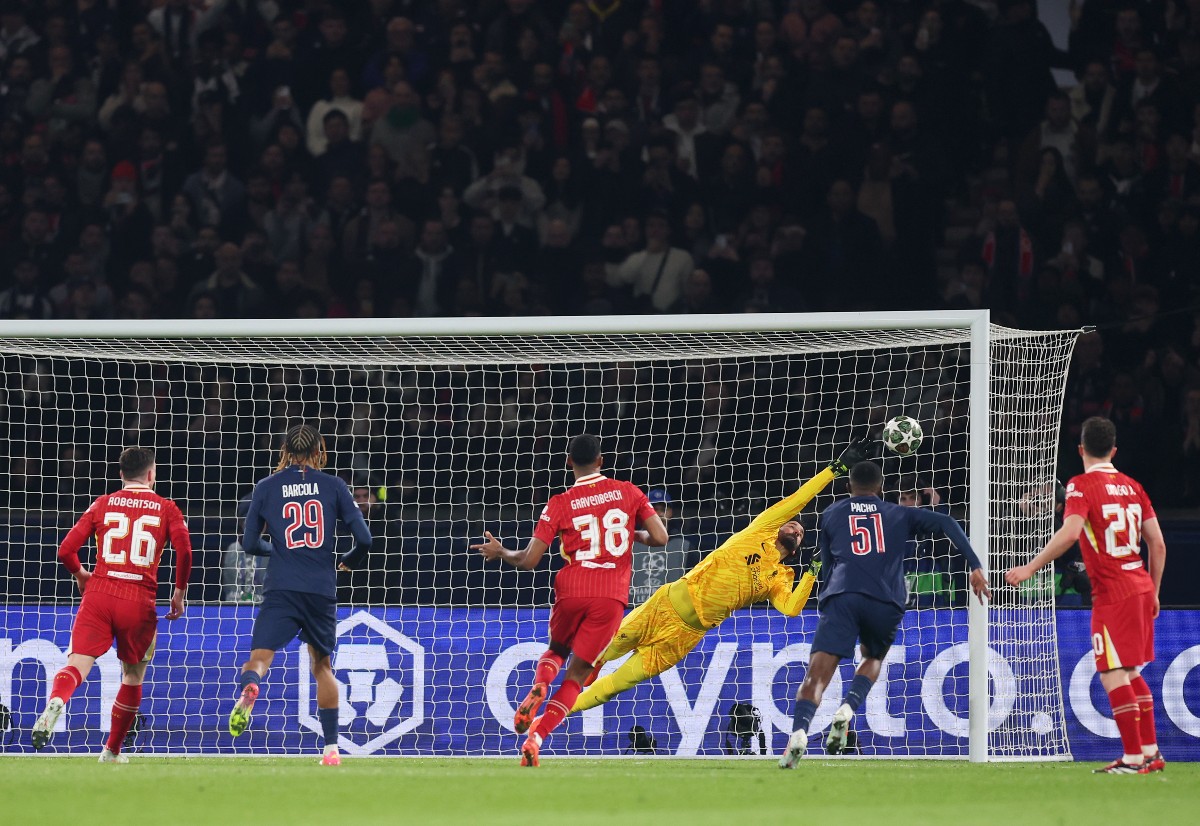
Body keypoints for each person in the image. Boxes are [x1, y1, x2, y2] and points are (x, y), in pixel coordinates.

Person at [568, 441, 872, 719]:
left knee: (614, 686)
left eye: (800, 532)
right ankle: (554, 690)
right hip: (665, 605)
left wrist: (813, 570)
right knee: (597, 653)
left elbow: (791, 608)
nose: (796, 527)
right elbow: (799, 499)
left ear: (796, 551)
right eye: (792, 524)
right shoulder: (760, 532)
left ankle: (547, 720)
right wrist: (836, 469)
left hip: (684, 636)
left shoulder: (779, 577)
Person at [471, 434, 668, 767]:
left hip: (572, 586)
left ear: (569, 462)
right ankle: (536, 737)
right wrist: (630, 533)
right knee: (577, 677)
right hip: (610, 595)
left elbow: (529, 560)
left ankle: (540, 685)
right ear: (601, 461)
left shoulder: (559, 502)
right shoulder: (630, 492)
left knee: (557, 649)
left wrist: (501, 550)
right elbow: (661, 537)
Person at [779, 459, 989, 768]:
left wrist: (829, 601)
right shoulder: (898, 512)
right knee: (872, 657)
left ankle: (798, 734)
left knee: (816, 674)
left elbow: (826, 562)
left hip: (843, 596)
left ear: (848, 487)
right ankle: (847, 710)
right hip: (886, 598)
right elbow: (947, 523)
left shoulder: (830, 514)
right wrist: (974, 564)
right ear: (881, 488)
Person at [1005, 416, 1166, 774]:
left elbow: (1070, 532)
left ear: (1080, 449)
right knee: (1129, 670)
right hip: (1140, 585)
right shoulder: (1133, 486)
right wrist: (1153, 590)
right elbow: (1157, 543)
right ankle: (1151, 752)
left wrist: (1029, 568)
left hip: (1112, 593)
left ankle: (1133, 757)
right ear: (1114, 450)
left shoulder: (1080, 486)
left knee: (1110, 671)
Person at [32, 447, 192, 762]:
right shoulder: (166, 507)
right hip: (139, 599)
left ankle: (56, 702)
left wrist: (81, 575)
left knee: (77, 665)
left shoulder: (102, 504)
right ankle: (112, 751)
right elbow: (185, 552)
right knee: (132, 675)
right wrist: (179, 592)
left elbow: (66, 550)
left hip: (100, 593)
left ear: (121, 475)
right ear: (151, 474)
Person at [229, 424, 373, 766]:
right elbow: (365, 540)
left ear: (285, 451)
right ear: (319, 449)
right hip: (320, 588)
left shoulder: (266, 487)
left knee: (260, 658)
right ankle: (331, 750)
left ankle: (250, 687)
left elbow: (249, 543)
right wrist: (347, 562)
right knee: (322, 667)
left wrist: (278, 550)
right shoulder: (335, 485)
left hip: (281, 586)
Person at [627, 488, 692, 605]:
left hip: (671, 611)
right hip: (631, 610)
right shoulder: (629, 543)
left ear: (671, 512)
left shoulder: (684, 546)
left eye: (664, 509)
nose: (660, 513)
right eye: (654, 509)